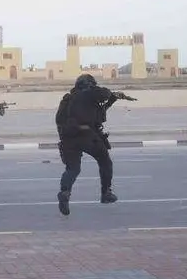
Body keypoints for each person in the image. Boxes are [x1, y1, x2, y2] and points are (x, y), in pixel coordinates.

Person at [55, 73, 134, 216]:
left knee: (72, 169)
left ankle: (65, 192)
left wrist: (112, 100)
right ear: (90, 85)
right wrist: (111, 93)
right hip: (86, 135)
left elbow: (60, 119)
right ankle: (106, 193)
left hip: (68, 138)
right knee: (105, 161)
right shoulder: (90, 94)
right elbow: (103, 94)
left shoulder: (67, 99)